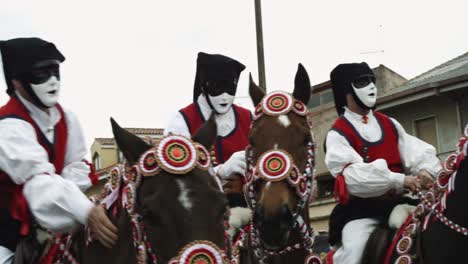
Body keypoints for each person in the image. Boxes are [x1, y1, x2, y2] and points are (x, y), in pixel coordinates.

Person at [0, 37, 117, 264]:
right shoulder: (7, 126)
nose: (53, 81)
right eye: (41, 73)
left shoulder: (68, 119)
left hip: (53, 226)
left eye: (55, 71)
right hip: (5, 234)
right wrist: (85, 211)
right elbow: (37, 181)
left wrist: (80, 206)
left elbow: (76, 165)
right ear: (17, 82)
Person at [325, 62, 442, 264]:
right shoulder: (338, 133)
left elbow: (417, 152)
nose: (371, 86)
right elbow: (353, 177)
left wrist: (425, 171)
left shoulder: (390, 123)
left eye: (372, 80)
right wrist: (399, 180)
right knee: (355, 249)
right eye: (363, 82)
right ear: (346, 90)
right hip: (363, 211)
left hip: (403, 202)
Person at [165, 52, 251, 207]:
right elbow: (174, 179)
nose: (225, 96)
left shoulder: (248, 118)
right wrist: (219, 173)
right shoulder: (182, 121)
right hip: (201, 216)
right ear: (204, 86)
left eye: (231, 88)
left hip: (249, 214)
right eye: (218, 87)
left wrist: (246, 185)